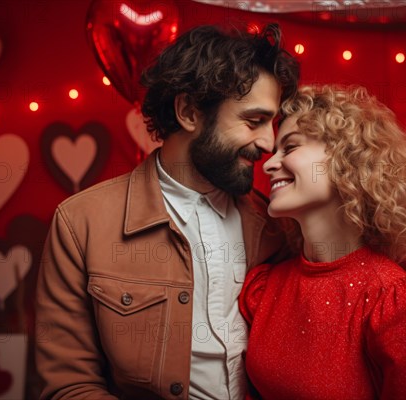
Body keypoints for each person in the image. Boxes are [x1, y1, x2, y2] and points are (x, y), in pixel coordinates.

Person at [35, 24, 300, 399]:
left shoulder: (276, 227)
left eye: (272, 124)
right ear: (189, 112)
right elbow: (70, 385)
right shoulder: (81, 224)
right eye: (253, 121)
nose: (269, 143)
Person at [239, 85, 406, 399]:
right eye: (273, 152)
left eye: (291, 147)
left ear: (346, 160)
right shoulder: (263, 288)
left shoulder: (397, 303)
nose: (269, 164)